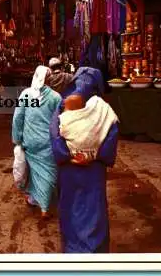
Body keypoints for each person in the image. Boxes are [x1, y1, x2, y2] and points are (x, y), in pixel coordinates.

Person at [50, 67, 119, 253]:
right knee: (94, 211)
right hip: (93, 170)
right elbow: (111, 135)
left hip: (69, 170)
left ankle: (73, 252)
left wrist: (68, 156)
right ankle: (95, 253)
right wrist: (94, 156)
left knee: (70, 209)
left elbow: (55, 134)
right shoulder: (104, 108)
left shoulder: (63, 105)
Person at [12, 65, 62, 219]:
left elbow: (17, 118)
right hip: (48, 142)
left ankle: (39, 202)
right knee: (47, 173)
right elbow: (60, 121)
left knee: (34, 172)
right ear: (49, 79)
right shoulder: (56, 97)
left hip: (30, 142)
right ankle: (44, 207)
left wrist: (17, 138)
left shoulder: (26, 95)